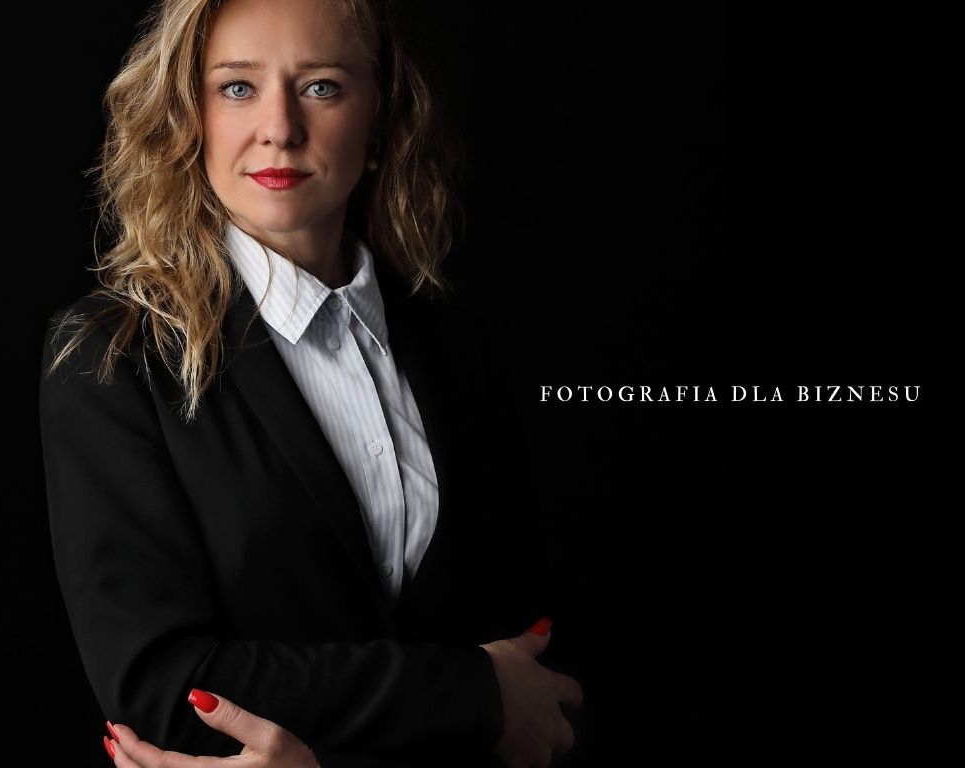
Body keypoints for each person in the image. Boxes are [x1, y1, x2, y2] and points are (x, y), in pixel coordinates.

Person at [38, 1, 583, 766]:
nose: (279, 128)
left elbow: (537, 670)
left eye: (321, 87)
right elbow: (159, 688)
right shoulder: (114, 355)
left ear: (380, 117)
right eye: (237, 88)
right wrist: (470, 693)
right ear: (189, 115)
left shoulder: (459, 351)